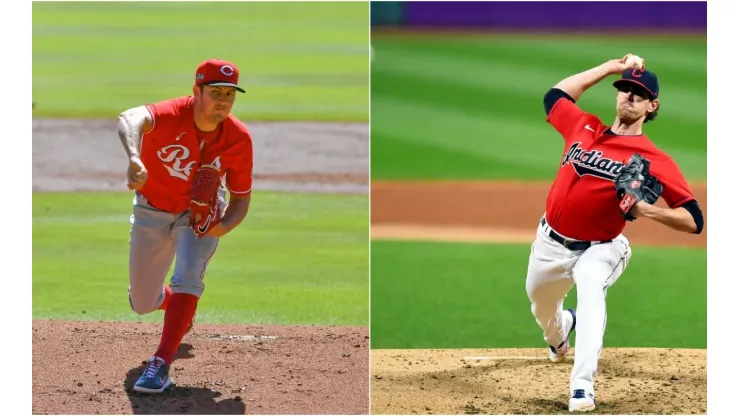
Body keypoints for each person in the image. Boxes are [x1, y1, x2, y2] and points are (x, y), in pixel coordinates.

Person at [526, 54, 704, 412]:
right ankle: (561, 333)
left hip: (602, 247)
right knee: (541, 305)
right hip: (549, 242)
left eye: (638, 93)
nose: (629, 97)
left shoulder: (654, 158)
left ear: (652, 105)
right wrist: (610, 67)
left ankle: (582, 387)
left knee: (591, 285)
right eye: (624, 90)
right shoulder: (584, 126)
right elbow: (554, 96)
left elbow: (694, 219)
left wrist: (645, 210)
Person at [116, 58, 254, 394]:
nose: (223, 99)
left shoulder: (238, 138)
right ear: (197, 91)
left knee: (188, 276)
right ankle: (174, 305)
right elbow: (129, 118)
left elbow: (240, 200)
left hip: (198, 218)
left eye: (229, 94)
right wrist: (134, 156)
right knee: (142, 303)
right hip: (152, 210)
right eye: (215, 91)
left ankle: (160, 363)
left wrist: (221, 227)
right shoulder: (171, 113)